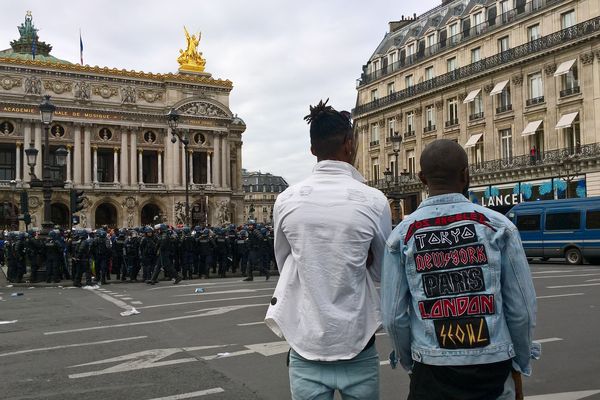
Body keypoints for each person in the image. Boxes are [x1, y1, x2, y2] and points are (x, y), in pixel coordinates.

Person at [381, 139, 540, 400]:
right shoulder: (498, 226)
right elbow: (521, 308)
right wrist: (519, 361)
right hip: (492, 366)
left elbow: (393, 317)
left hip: (432, 368)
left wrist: (413, 362)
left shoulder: (401, 236)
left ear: (422, 178)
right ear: (466, 174)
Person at [265, 99, 391, 399]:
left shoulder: (286, 200)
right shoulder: (373, 200)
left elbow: (286, 263)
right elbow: (383, 270)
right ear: (349, 144)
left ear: (312, 150)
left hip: (305, 340)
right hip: (357, 341)